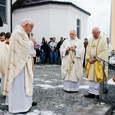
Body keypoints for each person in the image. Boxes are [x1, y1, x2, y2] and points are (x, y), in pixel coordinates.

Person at [3, 18, 37, 113]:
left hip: (23, 63)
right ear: (27, 25)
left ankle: (26, 103)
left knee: (24, 84)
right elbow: (22, 48)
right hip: (18, 64)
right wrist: (31, 42)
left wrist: (30, 43)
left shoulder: (22, 33)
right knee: (19, 85)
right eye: (31, 27)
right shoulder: (18, 33)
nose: (31, 30)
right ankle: (18, 105)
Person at [85, 27, 108, 99]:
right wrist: (89, 59)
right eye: (93, 33)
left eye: (95, 33)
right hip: (91, 63)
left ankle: (98, 94)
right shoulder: (91, 40)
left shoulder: (103, 40)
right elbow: (88, 50)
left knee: (98, 78)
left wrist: (96, 59)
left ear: (99, 32)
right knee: (91, 78)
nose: (94, 35)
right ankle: (91, 93)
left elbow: (104, 51)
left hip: (98, 63)